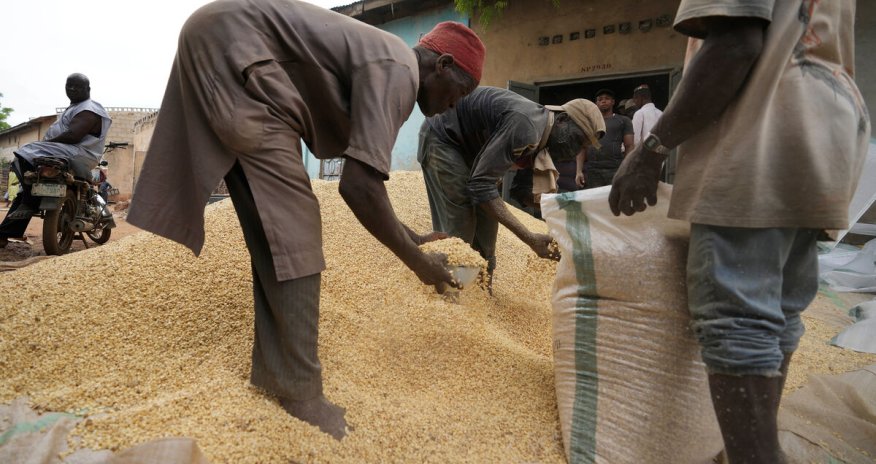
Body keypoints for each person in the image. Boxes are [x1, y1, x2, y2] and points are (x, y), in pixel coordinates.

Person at [126, 0, 486, 440]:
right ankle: (301, 394)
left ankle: (282, 375)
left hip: (227, 38)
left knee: (276, 223)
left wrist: (410, 235)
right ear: (443, 65)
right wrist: (418, 262)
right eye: (459, 93)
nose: (452, 107)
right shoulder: (400, 70)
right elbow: (357, 186)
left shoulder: (390, 60)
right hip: (237, 47)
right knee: (294, 223)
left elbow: (365, 180)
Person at [608, 1, 869, 462]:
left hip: (764, 127)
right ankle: (753, 449)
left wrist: (652, 149)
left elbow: (735, 42)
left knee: (736, 321)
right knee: (776, 315)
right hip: (826, 129)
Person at [418, 86, 604, 283]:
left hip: (473, 153)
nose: (575, 151)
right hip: (443, 139)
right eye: (577, 140)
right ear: (562, 120)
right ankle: (450, 300)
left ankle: (481, 296)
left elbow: (518, 191)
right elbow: (480, 187)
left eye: (583, 148)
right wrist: (530, 238)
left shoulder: (543, 141)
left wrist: (562, 211)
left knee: (487, 236)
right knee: (461, 230)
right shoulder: (528, 126)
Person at [0, 73, 112, 249]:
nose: (72, 89)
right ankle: (4, 233)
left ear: (88, 89)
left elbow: (73, 135)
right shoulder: (75, 107)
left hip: (78, 153)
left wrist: (45, 144)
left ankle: (30, 197)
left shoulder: (90, 108)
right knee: (24, 192)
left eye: (77, 86)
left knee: (25, 151)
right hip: (65, 152)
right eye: (69, 86)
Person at [576, 88, 633, 189]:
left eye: (607, 98)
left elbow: (629, 146)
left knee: (614, 201)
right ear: (596, 103)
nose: (603, 101)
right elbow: (582, 147)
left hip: (615, 169)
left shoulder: (623, 121)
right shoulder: (588, 122)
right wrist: (578, 171)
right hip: (593, 170)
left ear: (613, 102)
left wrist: (627, 169)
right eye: (600, 99)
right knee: (595, 202)